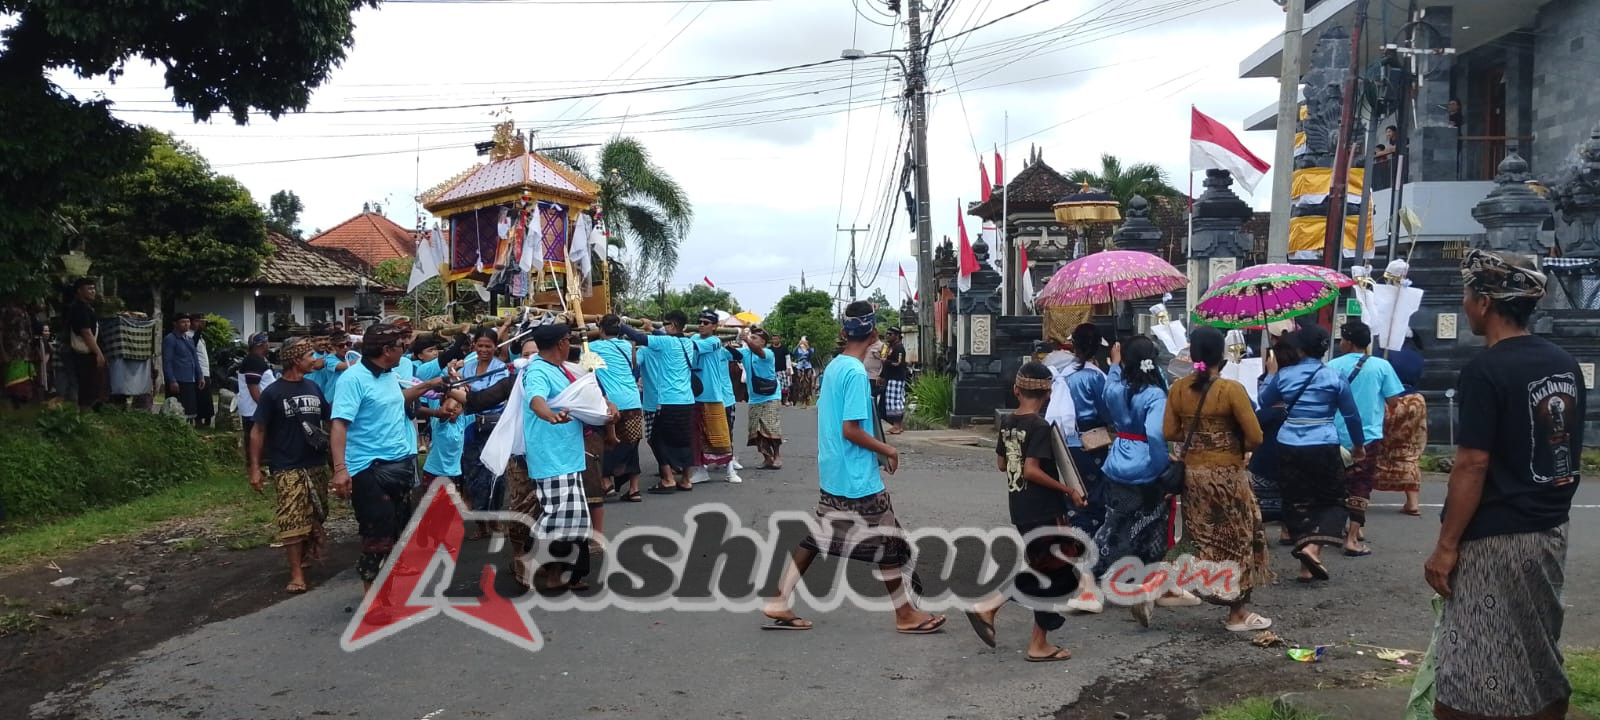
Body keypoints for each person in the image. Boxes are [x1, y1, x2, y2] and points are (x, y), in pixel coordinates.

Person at [1426, 250, 1583, 720]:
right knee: (1537, 651)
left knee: (1468, 671)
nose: (1465, 303)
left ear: (1484, 302)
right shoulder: (1564, 362)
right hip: (1549, 529)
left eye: (1467, 294)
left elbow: (1472, 465)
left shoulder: (1485, 370)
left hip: (1496, 539)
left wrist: (1446, 546)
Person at [762, 301, 946, 635]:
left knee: (819, 536)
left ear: (844, 332)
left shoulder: (835, 366)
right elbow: (851, 430)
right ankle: (905, 614)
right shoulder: (856, 373)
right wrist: (888, 449)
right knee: (886, 540)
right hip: (856, 474)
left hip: (835, 469)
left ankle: (779, 598)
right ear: (874, 333)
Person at [964, 361, 1087, 662]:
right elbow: (1031, 470)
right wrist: (1068, 489)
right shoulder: (1039, 426)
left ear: (1016, 390)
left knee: (1054, 571)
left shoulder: (1008, 421)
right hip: (1043, 508)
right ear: (1048, 394)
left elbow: (1002, 464)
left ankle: (1038, 641)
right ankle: (990, 606)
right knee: (1052, 572)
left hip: (1020, 507)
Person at [1163, 327, 1273, 632]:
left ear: (1193, 354)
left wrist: (1198, 439)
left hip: (1194, 477)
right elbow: (1255, 437)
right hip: (1227, 477)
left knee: (1199, 537)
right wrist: (1232, 444)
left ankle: (1159, 582)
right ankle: (1237, 613)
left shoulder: (1178, 389)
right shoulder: (1231, 390)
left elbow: (1169, 431)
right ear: (1221, 355)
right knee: (1238, 540)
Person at [330, 324, 445, 597]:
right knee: (377, 537)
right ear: (386, 350)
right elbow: (339, 424)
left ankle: (389, 593)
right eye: (400, 347)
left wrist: (429, 385)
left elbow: (395, 399)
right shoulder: (353, 379)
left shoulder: (388, 375)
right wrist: (340, 469)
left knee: (396, 531)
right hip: (369, 469)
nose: (404, 351)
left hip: (399, 465)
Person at [1259, 323, 1363, 583]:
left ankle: (1306, 565)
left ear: (1301, 349)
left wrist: (1271, 374)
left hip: (1288, 443)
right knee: (1333, 500)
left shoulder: (1284, 375)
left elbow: (1264, 401)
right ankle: (1313, 548)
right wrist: (1358, 444)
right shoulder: (1335, 376)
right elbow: (1351, 414)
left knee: (1296, 500)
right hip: (1323, 442)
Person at [1093, 336, 1183, 626]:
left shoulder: (1116, 389)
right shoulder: (1154, 395)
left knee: (1115, 522)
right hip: (1145, 462)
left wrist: (1114, 365)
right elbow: (1156, 435)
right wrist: (1163, 466)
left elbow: (1108, 387)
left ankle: (1099, 571)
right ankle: (1145, 583)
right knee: (1152, 525)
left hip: (1118, 457)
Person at [521, 322, 614, 593]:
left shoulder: (563, 368)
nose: (570, 344)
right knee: (559, 518)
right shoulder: (537, 370)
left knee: (575, 521)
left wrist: (607, 407)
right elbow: (536, 400)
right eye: (568, 340)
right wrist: (550, 416)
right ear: (561, 343)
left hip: (569, 456)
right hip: (550, 458)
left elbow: (588, 397)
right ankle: (530, 559)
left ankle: (561, 574)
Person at [247, 338, 330, 594]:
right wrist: (255, 468)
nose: (314, 359)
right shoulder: (273, 393)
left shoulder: (313, 387)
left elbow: (329, 420)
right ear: (296, 360)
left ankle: (307, 552)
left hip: (316, 463)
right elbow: (258, 430)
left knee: (317, 513)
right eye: (309, 355)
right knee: (291, 519)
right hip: (286, 465)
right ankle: (296, 574)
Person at [1326, 320, 1403, 556]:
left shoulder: (1331, 366)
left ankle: (1335, 530)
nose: (1340, 343)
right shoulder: (1382, 366)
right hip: (1368, 436)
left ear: (1349, 342)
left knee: (1337, 483)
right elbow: (1393, 401)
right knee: (1361, 484)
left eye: (1342, 339)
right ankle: (1353, 536)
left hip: (1335, 435)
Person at [1044, 323, 1110, 541]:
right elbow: (1106, 410)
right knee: (1095, 494)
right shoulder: (1096, 377)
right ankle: (1091, 538)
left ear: (1074, 345)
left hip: (1068, 443)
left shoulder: (1063, 374)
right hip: (1093, 443)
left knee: (1075, 491)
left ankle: (1074, 533)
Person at [619, 311, 698, 492]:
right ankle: (686, 480)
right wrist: (651, 328)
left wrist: (621, 324)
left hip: (670, 400)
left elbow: (639, 337)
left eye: (666, 324)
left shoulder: (665, 342)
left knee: (656, 439)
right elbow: (658, 336)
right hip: (687, 399)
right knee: (685, 441)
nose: (664, 327)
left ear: (672, 325)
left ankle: (668, 479)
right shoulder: (688, 343)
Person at [461, 328, 510, 527]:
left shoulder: (501, 368)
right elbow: (460, 388)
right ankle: (480, 522)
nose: (483, 350)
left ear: (495, 347)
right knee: (472, 471)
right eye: (480, 345)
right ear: (474, 346)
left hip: (494, 426)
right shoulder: (467, 367)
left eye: (488, 346)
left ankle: (495, 518)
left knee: (496, 473)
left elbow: (492, 395)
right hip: (471, 425)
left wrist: (469, 391)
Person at [593, 314, 644, 503]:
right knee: (632, 445)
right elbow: (633, 364)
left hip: (610, 403)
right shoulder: (627, 346)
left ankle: (606, 482)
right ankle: (634, 489)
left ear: (601, 330)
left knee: (608, 443)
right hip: (633, 400)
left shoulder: (593, 347)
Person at [1375, 343, 1427, 516]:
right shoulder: (1414, 353)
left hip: (1388, 397)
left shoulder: (1384, 351)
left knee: (1375, 448)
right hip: (1413, 399)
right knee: (1408, 450)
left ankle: (1361, 497)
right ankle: (1413, 502)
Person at [689, 310, 739, 485]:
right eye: (700, 322)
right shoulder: (693, 338)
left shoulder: (715, 341)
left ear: (714, 326)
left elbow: (691, 346)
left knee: (720, 435)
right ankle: (700, 470)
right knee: (696, 436)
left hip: (713, 395)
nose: (701, 325)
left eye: (706, 322)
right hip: (695, 395)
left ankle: (730, 470)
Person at [740, 327, 785, 469]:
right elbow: (730, 353)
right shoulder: (745, 353)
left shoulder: (768, 353)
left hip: (771, 395)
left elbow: (758, 351)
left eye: (755, 338)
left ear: (763, 342)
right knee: (756, 430)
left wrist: (746, 339)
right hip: (754, 398)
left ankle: (777, 456)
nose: (751, 340)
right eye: (751, 337)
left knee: (771, 426)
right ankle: (767, 458)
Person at [66, 278, 106, 410]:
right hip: (84, 354)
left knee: (93, 388)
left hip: (88, 353)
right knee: (87, 389)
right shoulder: (79, 308)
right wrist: (98, 353)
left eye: (94, 288)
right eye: (89, 288)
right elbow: (86, 333)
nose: (93, 291)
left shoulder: (87, 308)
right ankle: (85, 415)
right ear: (79, 291)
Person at [237, 333, 277, 453]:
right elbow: (253, 389)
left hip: (256, 410)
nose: (268, 345)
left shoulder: (257, 360)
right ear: (261, 345)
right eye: (266, 342)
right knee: (259, 443)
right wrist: (264, 408)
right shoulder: (253, 361)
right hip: (254, 411)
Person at [162, 315, 203, 424]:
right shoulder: (170, 339)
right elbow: (167, 361)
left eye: (188, 322)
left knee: (190, 408)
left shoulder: (189, 339)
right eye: (183, 322)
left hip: (190, 378)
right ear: (175, 324)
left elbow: (195, 359)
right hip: (178, 379)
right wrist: (172, 380)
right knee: (177, 409)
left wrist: (200, 376)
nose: (186, 324)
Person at [188, 315, 215, 427]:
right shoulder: (188, 335)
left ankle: (207, 419)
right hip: (198, 370)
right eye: (197, 321)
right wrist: (199, 330)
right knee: (200, 396)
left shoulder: (200, 336)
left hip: (205, 369)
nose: (199, 323)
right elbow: (192, 345)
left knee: (207, 397)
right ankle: (199, 420)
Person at [882, 327, 909, 434]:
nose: (887, 336)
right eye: (887, 333)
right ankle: (896, 425)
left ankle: (897, 426)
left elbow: (898, 363)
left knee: (895, 401)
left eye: (890, 334)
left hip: (896, 378)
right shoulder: (890, 347)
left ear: (897, 336)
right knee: (891, 401)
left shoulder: (899, 347)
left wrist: (886, 361)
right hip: (890, 378)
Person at [791, 338, 815, 407]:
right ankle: (798, 393)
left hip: (807, 364)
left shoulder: (810, 349)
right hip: (800, 364)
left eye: (805, 341)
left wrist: (807, 346)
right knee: (798, 377)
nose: (803, 342)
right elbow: (793, 353)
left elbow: (811, 353)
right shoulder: (798, 349)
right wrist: (798, 344)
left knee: (809, 376)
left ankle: (810, 393)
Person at [771, 335, 790, 405]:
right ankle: (775, 400)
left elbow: (788, 358)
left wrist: (788, 368)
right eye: (773, 339)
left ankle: (785, 400)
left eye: (776, 339)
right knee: (774, 386)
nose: (775, 340)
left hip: (783, 370)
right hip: (773, 370)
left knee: (784, 386)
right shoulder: (770, 349)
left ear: (779, 339)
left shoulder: (784, 348)